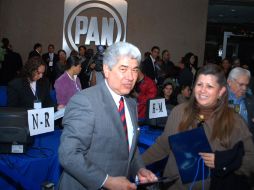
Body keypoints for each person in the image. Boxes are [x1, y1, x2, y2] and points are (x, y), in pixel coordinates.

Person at [58, 42, 157, 190]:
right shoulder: (85, 101)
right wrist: (106, 181)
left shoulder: (130, 103)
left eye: (135, 70)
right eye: (123, 69)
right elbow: (69, 155)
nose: (130, 77)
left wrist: (139, 169)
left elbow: (130, 147)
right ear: (106, 69)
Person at [142, 64, 254, 189]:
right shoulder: (179, 112)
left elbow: (251, 160)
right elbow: (163, 145)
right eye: (199, 85)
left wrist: (222, 161)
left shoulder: (233, 121)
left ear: (221, 91)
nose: (202, 90)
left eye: (209, 86)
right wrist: (136, 164)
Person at [227, 67, 254, 134]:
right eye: (241, 84)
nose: (244, 88)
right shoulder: (219, 98)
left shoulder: (250, 99)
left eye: (246, 85)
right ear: (230, 82)